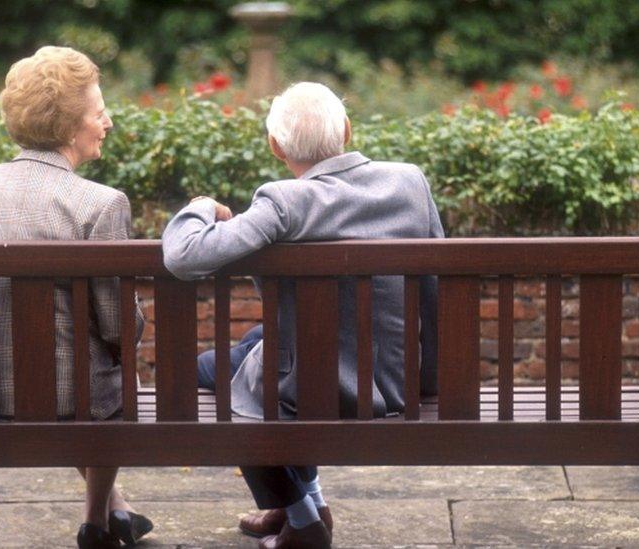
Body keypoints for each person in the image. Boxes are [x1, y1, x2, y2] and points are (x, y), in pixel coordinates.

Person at [162, 82, 442, 549]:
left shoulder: (283, 200)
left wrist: (200, 208)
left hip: (313, 385)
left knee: (217, 377)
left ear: (276, 147)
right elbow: (435, 290)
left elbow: (184, 256)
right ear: (348, 130)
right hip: (392, 382)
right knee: (251, 346)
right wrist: (428, 379)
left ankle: (302, 515)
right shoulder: (409, 182)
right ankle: (302, 503)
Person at [0, 46, 152, 549]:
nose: (107, 121)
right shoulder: (101, 205)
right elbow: (119, 328)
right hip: (78, 399)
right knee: (99, 371)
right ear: (68, 128)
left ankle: (108, 514)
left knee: (74, 365)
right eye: (98, 111)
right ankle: (102, 520)